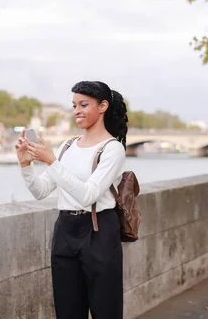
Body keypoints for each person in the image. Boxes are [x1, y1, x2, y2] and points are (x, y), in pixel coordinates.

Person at [15, 80, 128, 319]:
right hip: (65, 231)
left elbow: (88, 195)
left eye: (84, 104)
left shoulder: (112, 149)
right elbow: (41, 191)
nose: (76, 110)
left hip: (99, 232)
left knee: (105, 310)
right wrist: (26, 165)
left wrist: (52, 162)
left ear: (103, 106)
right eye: (74, 104)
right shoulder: (68, 146)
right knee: (67, 312)